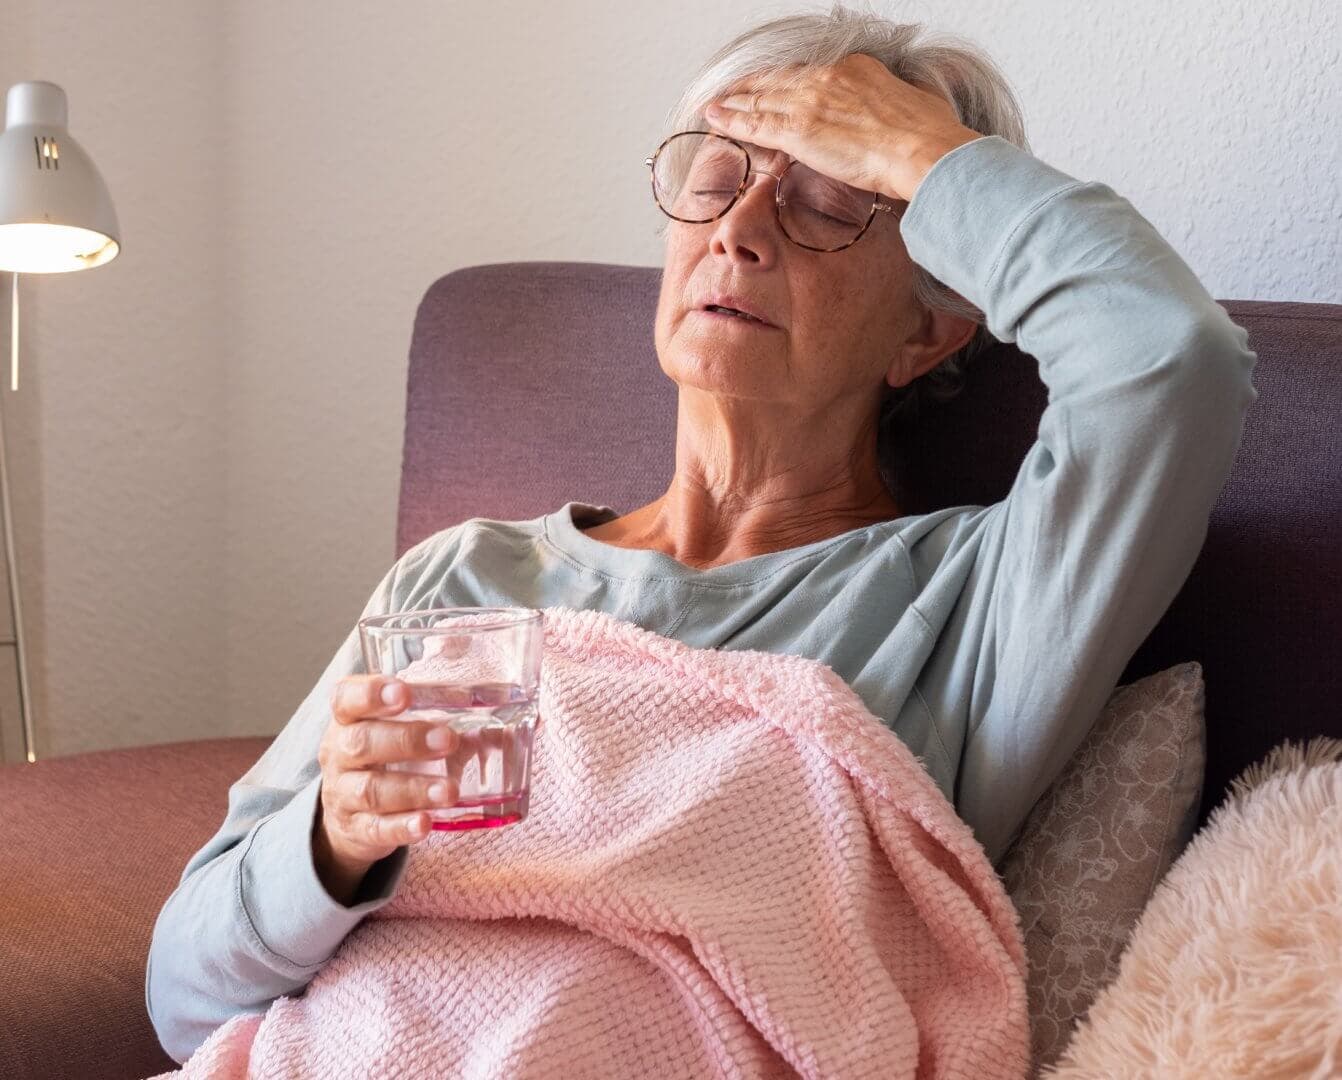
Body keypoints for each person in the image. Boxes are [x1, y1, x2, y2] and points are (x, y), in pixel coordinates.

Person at [147, 4, 1258, 1065]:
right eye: (717, 177)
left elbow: (1167, 360)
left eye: (830, 200)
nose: (737, 228)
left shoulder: (969, 600)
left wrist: (926, 152)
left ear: (926, 328)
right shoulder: (468, 572)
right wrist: (335, 842)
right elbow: (182, 992)